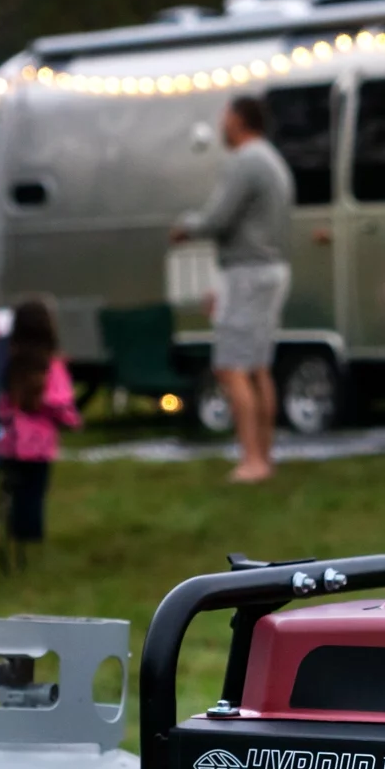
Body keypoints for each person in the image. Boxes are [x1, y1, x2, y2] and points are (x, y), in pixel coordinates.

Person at [169, 93, 293, 484]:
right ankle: (265, 458)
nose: (222, 124)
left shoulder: (247, 161)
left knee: (231, 365)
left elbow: (218, 218)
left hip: (249, 274)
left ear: (240, 120)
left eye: (226, 116)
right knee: (257, 366)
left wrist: (185, 226)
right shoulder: (273, 160)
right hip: (269, 269)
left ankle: (252, 462)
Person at [0, 297, 80, 547]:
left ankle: (15, 534)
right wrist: (72, 420)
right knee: (34, 493)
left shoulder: (6, 362)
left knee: (15, 493)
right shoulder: (50, 365)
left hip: (8, 443)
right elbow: (60, 401)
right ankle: (31, 539)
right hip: (38, 445)